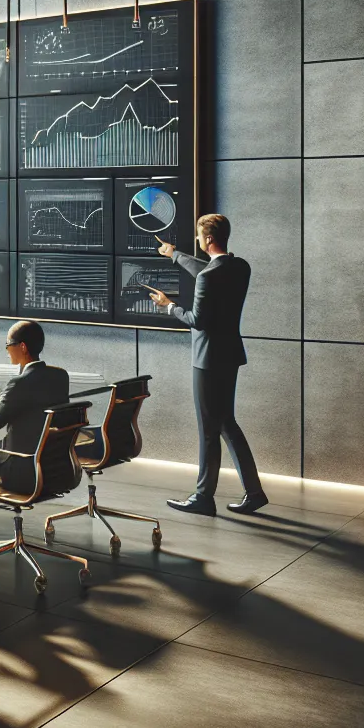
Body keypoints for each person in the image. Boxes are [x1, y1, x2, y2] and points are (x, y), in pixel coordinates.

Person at [149, 214, 267, 515]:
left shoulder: (208, 277)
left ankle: (203, 497)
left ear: (209, 239)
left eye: (200, 236)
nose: (198, 240)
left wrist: (169, 306)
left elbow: (197, 320)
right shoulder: (240, 267)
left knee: (208, 430)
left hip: (207, 361)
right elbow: (209, 270)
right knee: (227, 423)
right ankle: (254, 492)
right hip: (229, 356)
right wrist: (174, 254)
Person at [0, 320, 69, 497]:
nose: (7, 350)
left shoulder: (19, 383)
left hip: (20, 472)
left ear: (23, 347)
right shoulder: (60, 376)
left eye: (8, 345)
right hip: (51, 467)